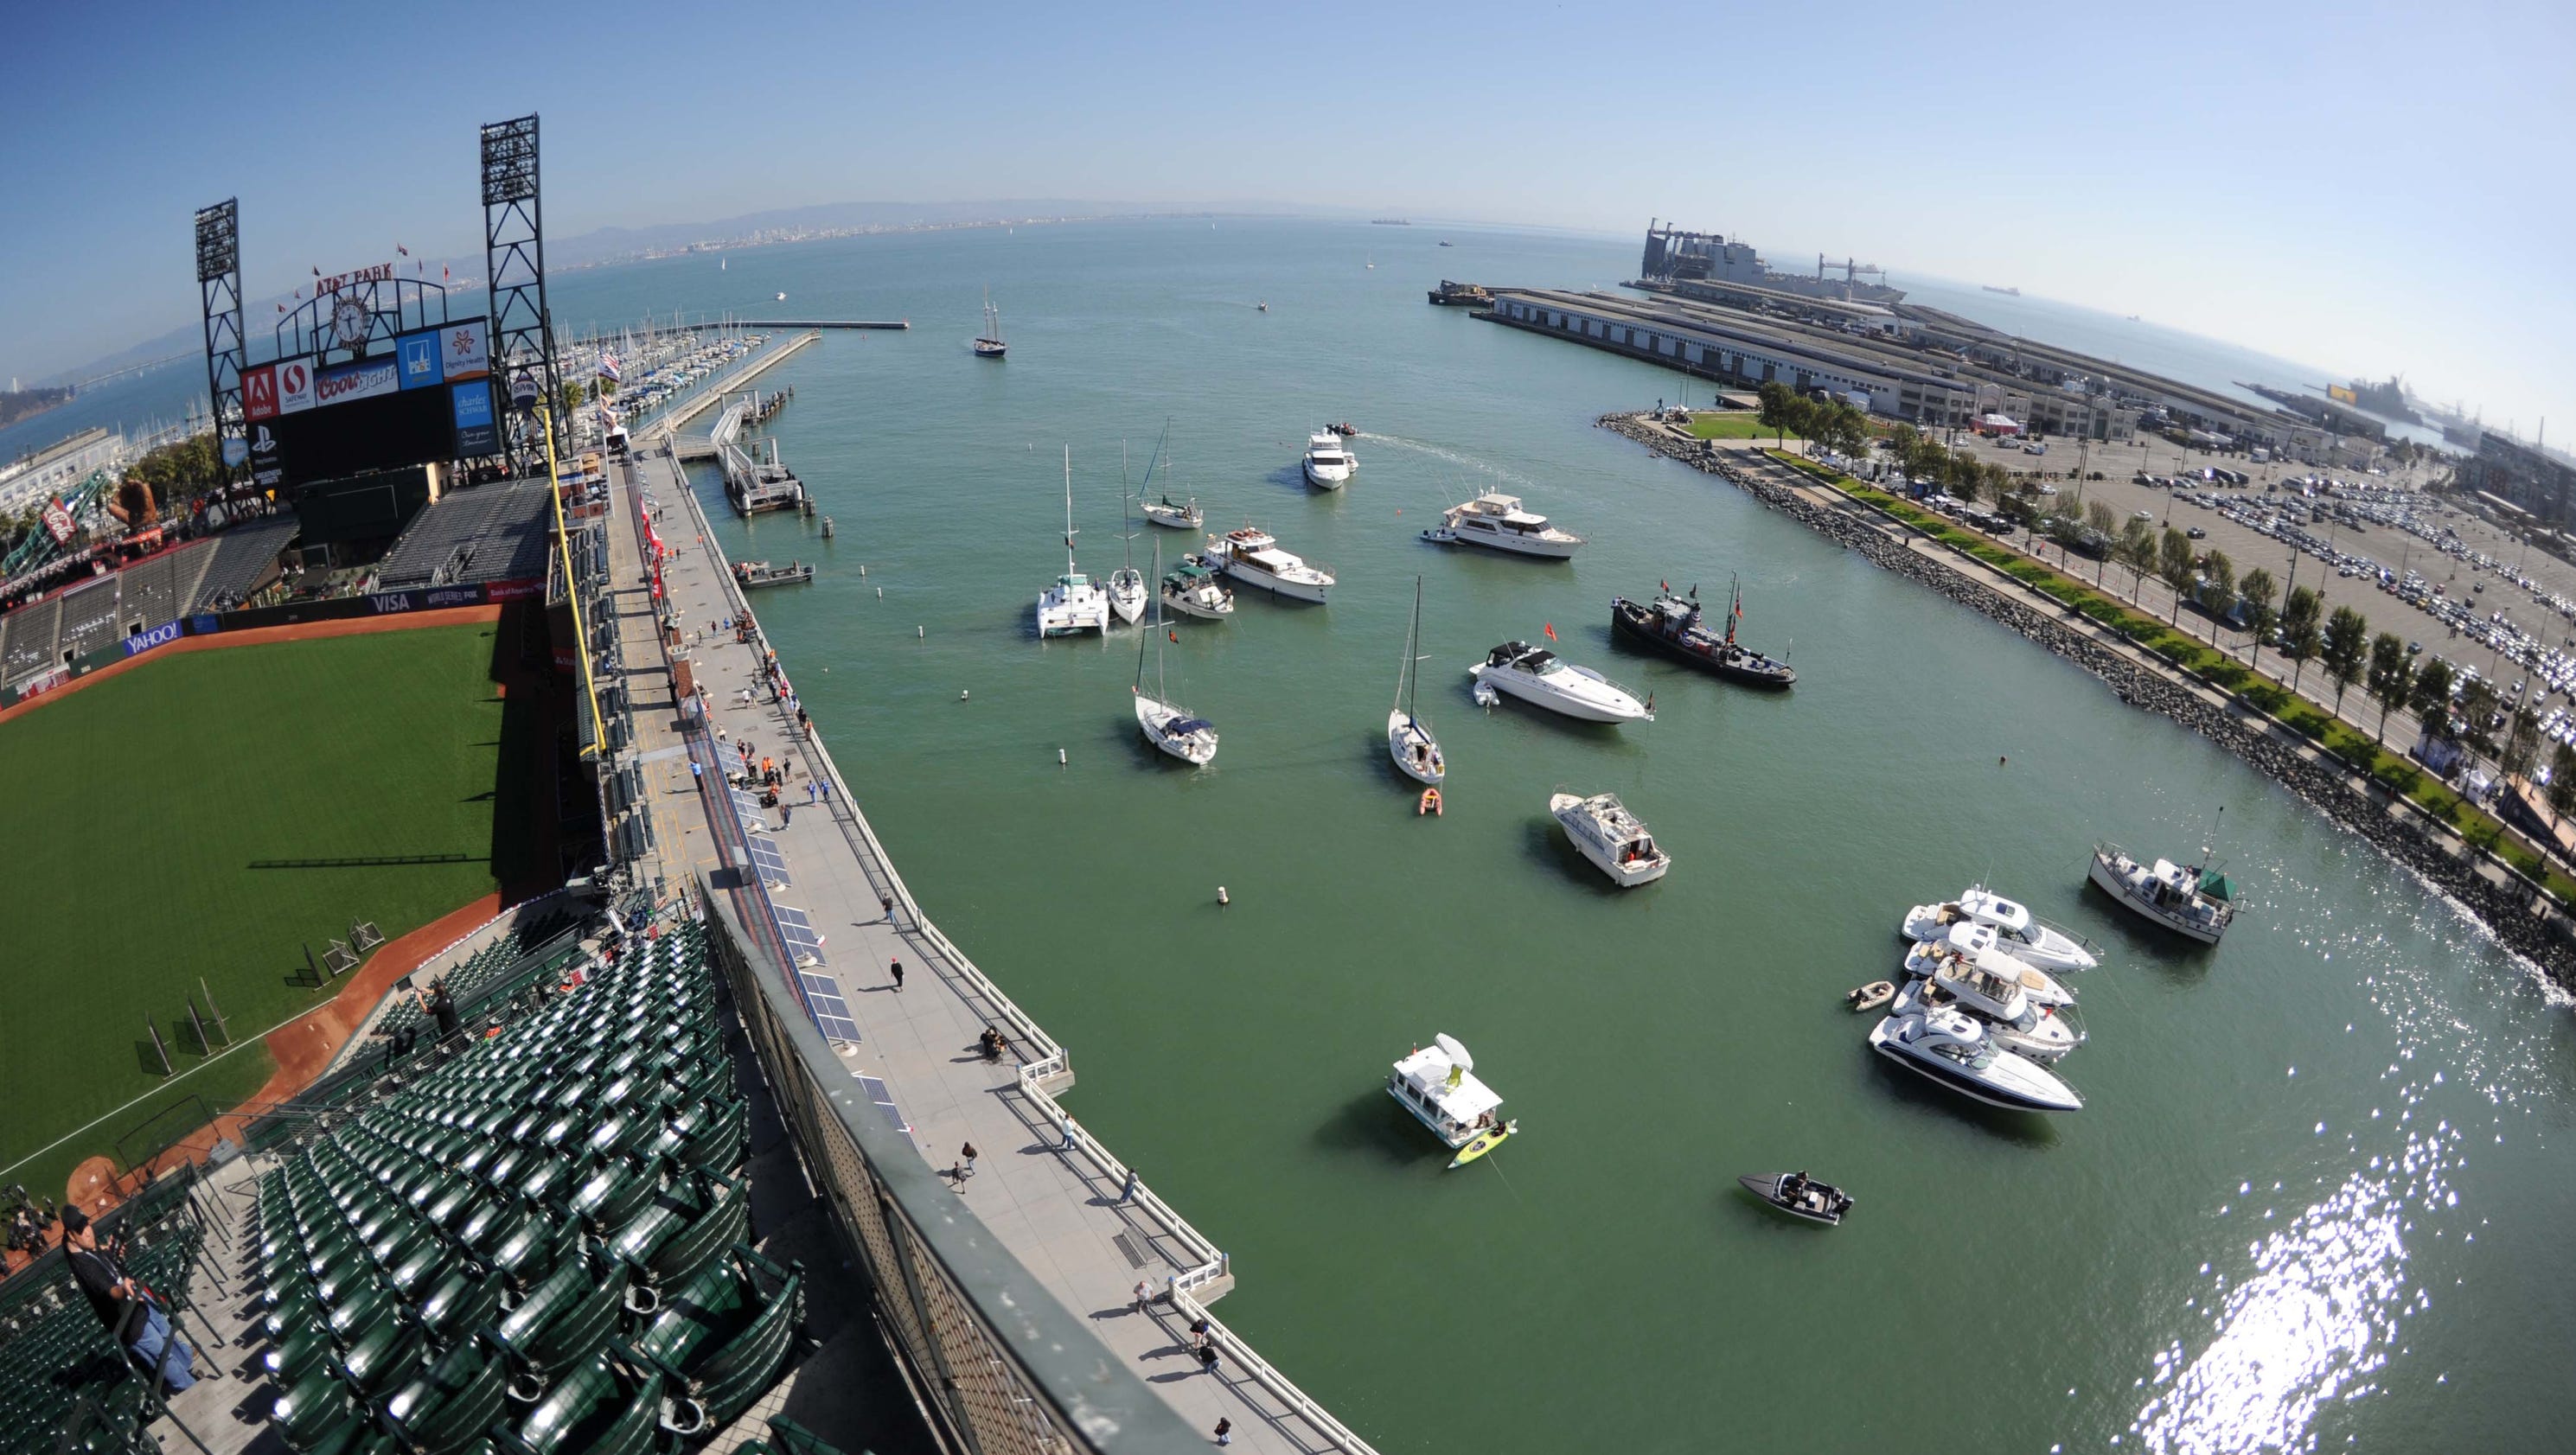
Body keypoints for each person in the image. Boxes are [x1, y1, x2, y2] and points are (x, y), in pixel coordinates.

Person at [63, 1207, 203, 1392]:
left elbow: (100, 1254)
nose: (88, 1232)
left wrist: (111, 1252)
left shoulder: (80, 1244)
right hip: (127, 1317)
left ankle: (185, 1358)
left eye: (87, 1224)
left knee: (166, 1330)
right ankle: (189, 1386)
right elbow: (111, 1291)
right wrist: (123, 1289)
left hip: (138, 1296)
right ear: (71, 1235)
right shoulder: (83, 1267)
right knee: (162, 1352)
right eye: (81, 1230)